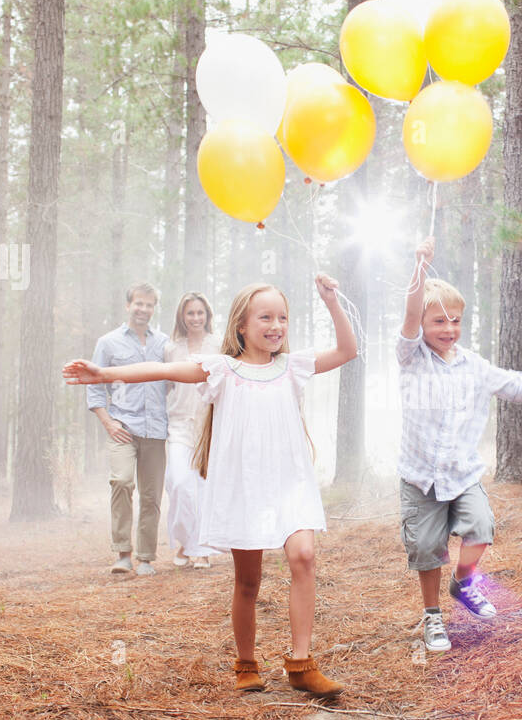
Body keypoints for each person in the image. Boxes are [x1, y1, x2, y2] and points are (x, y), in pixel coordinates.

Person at [63, 273, 357, 698]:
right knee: (248, 581)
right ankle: (246, 662)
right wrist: (104, 372)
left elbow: (348, 350)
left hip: (290, 482)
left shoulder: (292, 366)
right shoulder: (222, 369)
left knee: (304, 556)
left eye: (283, 318)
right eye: (265, 317)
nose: (276, 326)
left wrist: (331, 302)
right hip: (244, 487)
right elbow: (163, 368)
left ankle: (300, 663)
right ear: (241, 325)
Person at [397, 236, 522, 653]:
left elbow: (516, 386)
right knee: (427, 549)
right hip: (419, 477)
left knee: (480, 527)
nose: (449, 329)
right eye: (438, 322)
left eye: (455, 320)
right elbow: (408, 315)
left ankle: (463, 583)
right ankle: (432, 618)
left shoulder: (473, 365)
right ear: (422, 327)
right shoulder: (410, 359)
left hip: (462, 475)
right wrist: (420, 268)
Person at [87, 284, 170, 576]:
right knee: (121, 482)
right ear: (128, 306)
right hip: (122, 426)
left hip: (156, 429)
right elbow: (94, 387)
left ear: (154, 308)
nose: (143, 309)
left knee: (151, 495)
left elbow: (173, 383)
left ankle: (146, 557)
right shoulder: (108, 343)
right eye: (138, 303)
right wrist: (108, 422)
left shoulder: (164, 344)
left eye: (149, 305)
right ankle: (123, 554)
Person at [163, 292, 222, 569]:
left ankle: (200, 549)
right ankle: (186, 541)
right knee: (178, 483)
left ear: (207, 316)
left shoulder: (218, 345)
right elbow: (165, 386)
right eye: (190, 313)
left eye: (200, 313)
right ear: (182, 317)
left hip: (208, 425)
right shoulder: (171, 349)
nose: (196, 318)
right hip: (178, 426)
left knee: (201, 488)